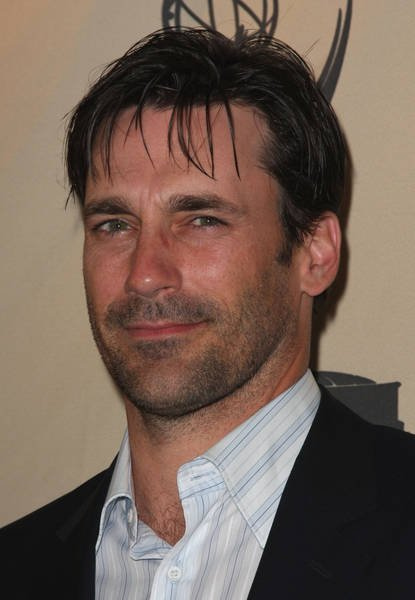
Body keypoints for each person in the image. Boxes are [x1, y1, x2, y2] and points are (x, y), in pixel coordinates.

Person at [2, 28, 415, 600]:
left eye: (202, 220)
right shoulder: (16, 566)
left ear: (314, 254)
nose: (145, 274)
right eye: (114, 225)